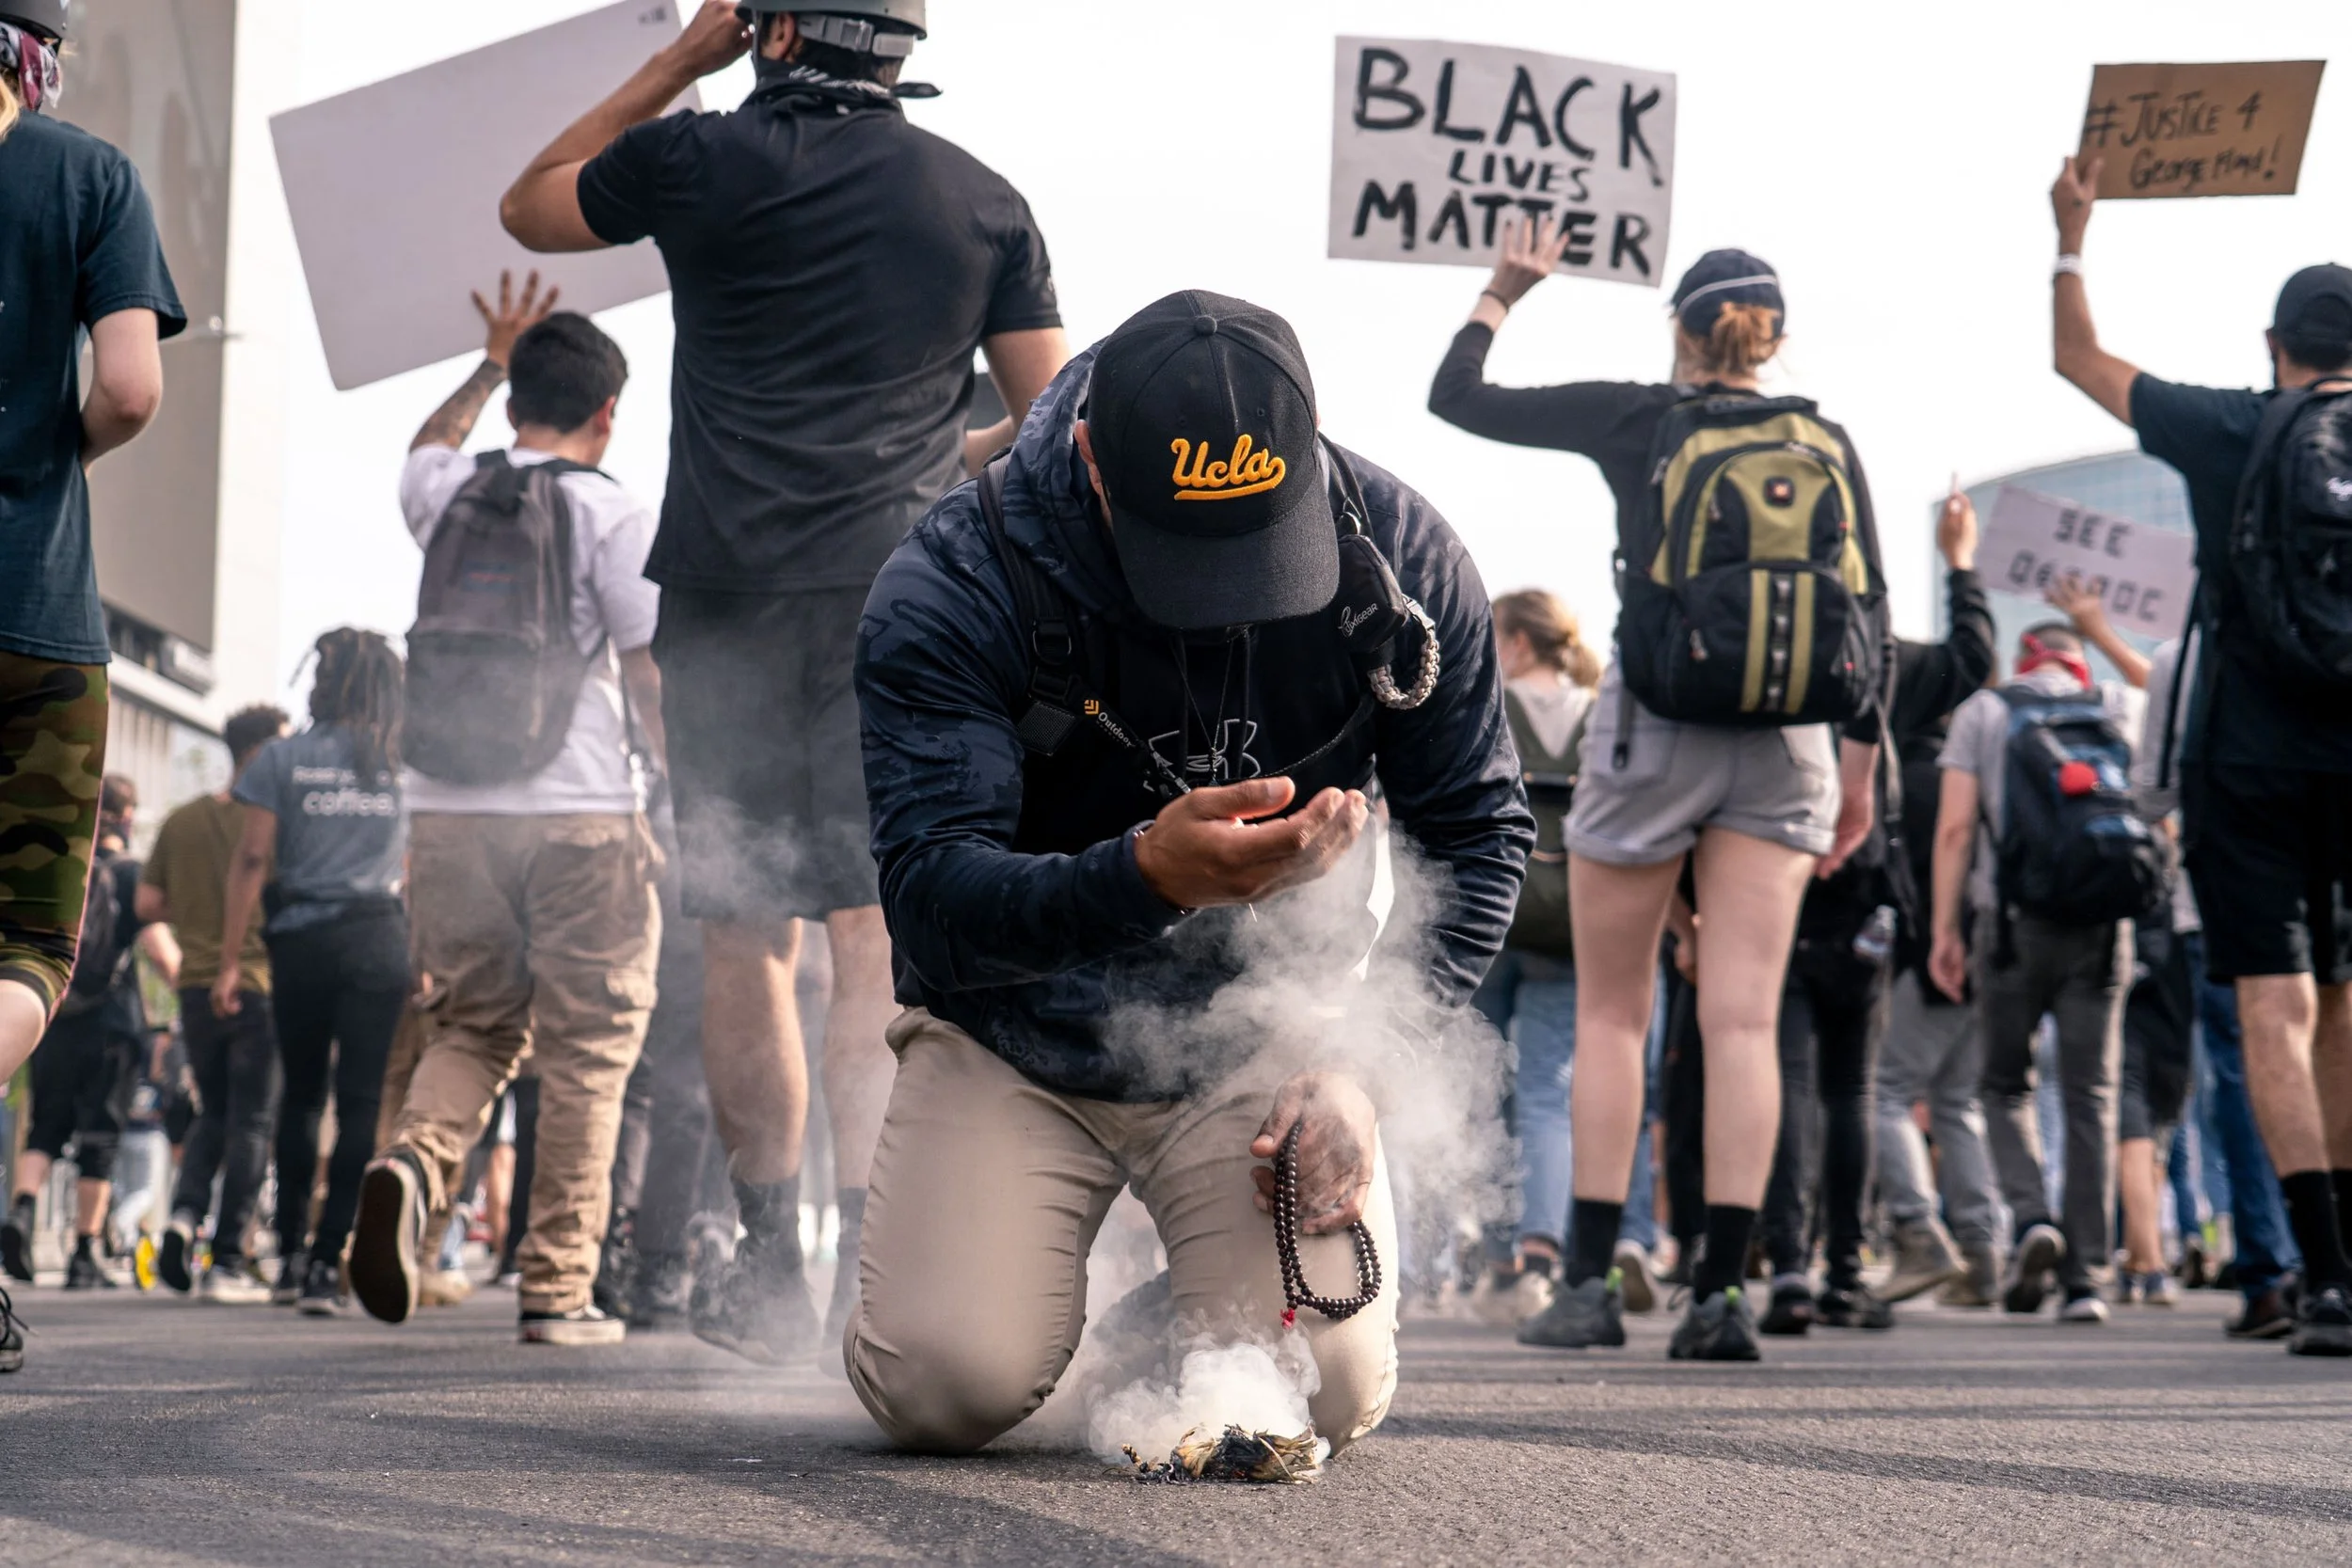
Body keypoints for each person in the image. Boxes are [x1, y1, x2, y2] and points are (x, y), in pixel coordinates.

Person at [848, 290, 1530, 1453]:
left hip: (1258, 1045)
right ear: (1091, 467)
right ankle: (984, 1294)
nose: (1227, 611)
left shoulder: (1405, 557)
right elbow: (929, 897)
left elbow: (1478, 833)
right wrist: (1145, 877)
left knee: (1326, 1392)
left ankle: (1132, 1338)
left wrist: (1366, 1063)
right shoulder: (955, 578)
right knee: (946, 1387)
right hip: (1014, 1035)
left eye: (1261, 554)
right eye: (1187, 561)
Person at [496, 0, 1070, 1362]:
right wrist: (939, 457)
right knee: (876, 930)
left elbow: (527, 208)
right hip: (902, 597)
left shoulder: (694, 158)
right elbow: (1052, 421)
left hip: (727, 597)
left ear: (772, 32)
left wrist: (675, 62)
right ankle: (879, 1251)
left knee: (749, 930)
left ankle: (768, 1273)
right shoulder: (982, 202)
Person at [1432, 227, 1890, 1361]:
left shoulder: (1641, 418)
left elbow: (1458, 398)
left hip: (1656, 726)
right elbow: (1868, 621)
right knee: (1741, 1018)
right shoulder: (1824, 436)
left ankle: (1586, 1284)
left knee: (1609, 1011)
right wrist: (1860, 781)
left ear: (1682, 331)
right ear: (1773, 339)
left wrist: (1506, 288)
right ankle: (1724, 1295)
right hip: (1792, 742)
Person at [2050, 154, 2352, 1354]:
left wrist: (2072, 233)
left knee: (2273, 1010)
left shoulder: (2234, 425)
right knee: (2344, 1004)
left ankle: (2321, 1276)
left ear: (2274, 342)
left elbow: (2079, 360)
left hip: (2249, 766)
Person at [348, 289, 665, 1347]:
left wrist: (484, 365)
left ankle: (411, 1162)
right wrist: (664, 794)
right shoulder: (614, 510)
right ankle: (557, 1288)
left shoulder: (443, 490)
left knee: (473, 1025)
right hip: (578, 809)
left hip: (444, 807)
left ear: (518, 397)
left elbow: (421, 443)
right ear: (607, 412)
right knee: (588, 1048)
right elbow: (646, 671)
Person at [1760, 484, 1997, 1334]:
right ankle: (1845, 1272)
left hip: (1771, 872)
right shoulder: (1887, 653)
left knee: (1782, 1077)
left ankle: (1787, 1266)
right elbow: (1973, 658)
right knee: (1851, 1086)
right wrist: (1960, 563)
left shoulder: (1762, 646)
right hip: (1864, 888)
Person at [0, 0, 180, 1126]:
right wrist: (64, 455)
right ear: (41, 57)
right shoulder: (90, 176)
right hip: (37, 623)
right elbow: (127, 388)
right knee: (23, 945)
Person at [1930, 621, 2145, 1323]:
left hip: (2012, 924)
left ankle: (2030, 1219)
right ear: (2075, 660)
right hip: (2104, 924)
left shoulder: (1984, 711)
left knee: (2003, 1084)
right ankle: (2085, 1277)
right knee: (2091, 1096)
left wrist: (1944, 928)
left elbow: (1957, 828)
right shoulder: (2116, 706)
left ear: (2022, 658)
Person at [215, 630, 410, 1317]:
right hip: (381, 935)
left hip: (301, 938)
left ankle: (292, 1256)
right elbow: (421, 868)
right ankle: (331, 1263)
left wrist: (232, 958)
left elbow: (250, 859)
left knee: (300, 1097)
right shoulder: (401, 762)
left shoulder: (280, 758)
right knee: (360, 1102)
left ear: (321, 683)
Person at [2136, 633, 2301, 1337]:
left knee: (2244, 1072)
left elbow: (2150, 790)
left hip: (2224, 903)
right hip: (2328, 890)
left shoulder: (2188, 651)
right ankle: (2328, 1264)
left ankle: (2273, 1272)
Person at [1871, 489, 2003, 1309]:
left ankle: (1920, 1229)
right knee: (1956, 1098)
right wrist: (1961, 565)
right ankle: (1985, 1246)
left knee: (1883, 1087)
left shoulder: (1887, 783)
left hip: (1925, 949)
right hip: (1995, 945)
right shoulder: (1951, 769)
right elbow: (1972, 650)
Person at [140, 705, 291, 1302]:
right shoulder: (274, 822)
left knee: (214, 1113)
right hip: (258, 983)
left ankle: (182, 1217)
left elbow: (148, 903)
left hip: (195, 985)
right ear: (259, 751)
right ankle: (228, 1258)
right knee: (253, 1120)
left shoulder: (181, 821)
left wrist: (197, 911)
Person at [2, 777, 174, 1288]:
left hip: (50, 1016)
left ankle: (22, 1212)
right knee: (101, 1135)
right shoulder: (129, 875)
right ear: (125, 816)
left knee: (46, 1128)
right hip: (112, 1024)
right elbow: (163, 954)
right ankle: (84, 1251)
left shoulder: (60, 867)